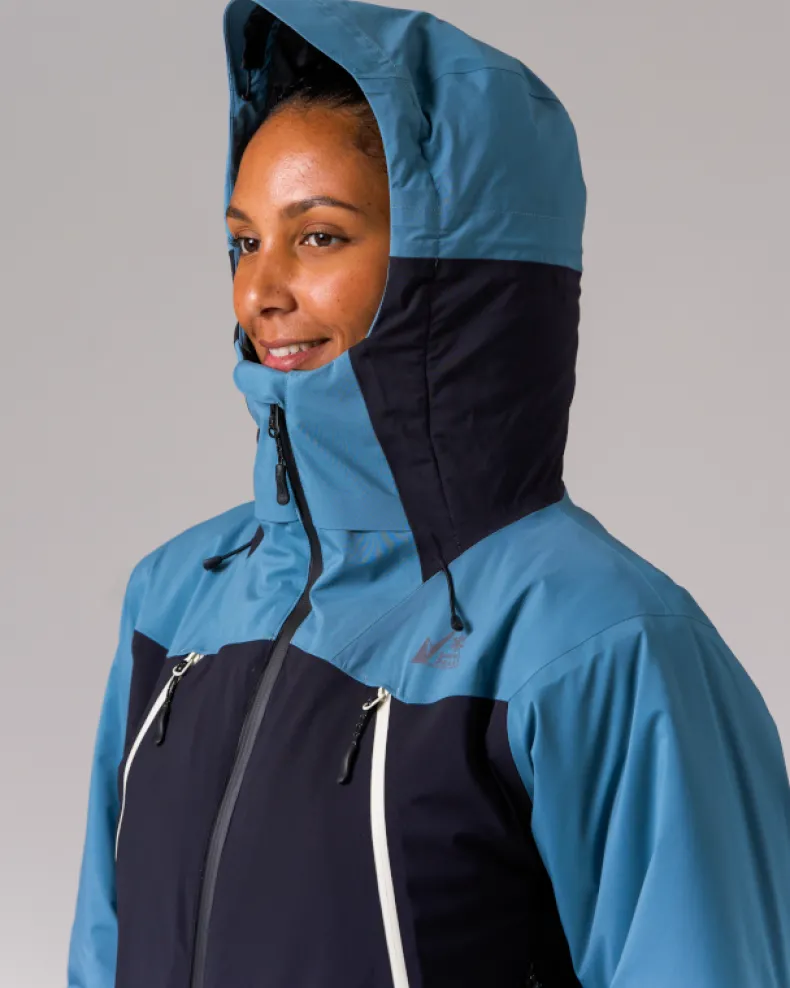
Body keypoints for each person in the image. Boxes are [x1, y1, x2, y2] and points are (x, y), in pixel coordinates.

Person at [67, 2, 790, 987]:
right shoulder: (174, 599)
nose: (258, 293)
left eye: (318, 237)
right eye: (244, 242)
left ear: (448, 275)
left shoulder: (599, 640)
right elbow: (102, 953)